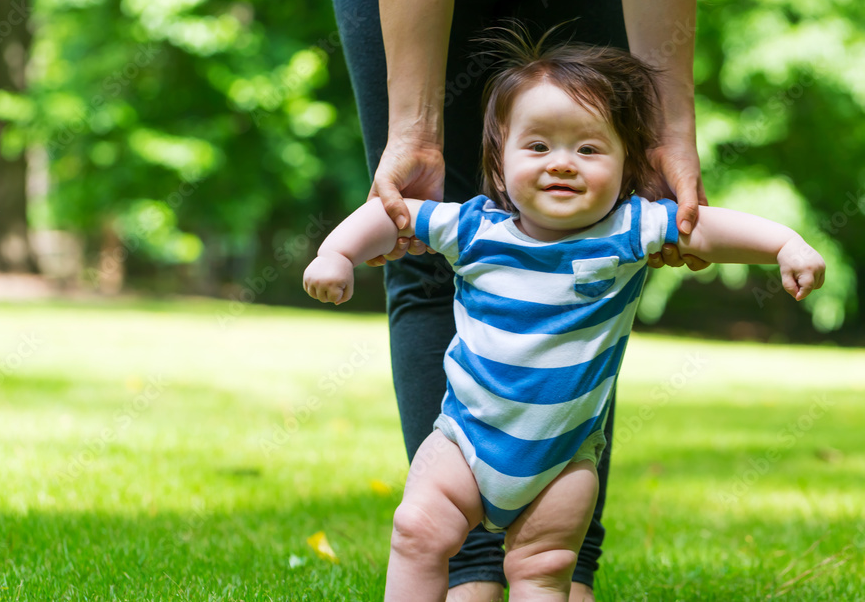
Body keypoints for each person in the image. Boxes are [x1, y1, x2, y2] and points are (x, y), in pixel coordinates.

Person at [303, 38, 826, 600]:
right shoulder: (475, 228)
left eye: (588, 149)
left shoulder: (630, 229)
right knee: (416, 531)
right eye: (537, 146)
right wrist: (336, 254)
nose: (561, 162)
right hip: (467, 438)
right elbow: (390, 215)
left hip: (564, 456)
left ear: (627, 167)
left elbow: (706, 228)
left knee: (543, 568)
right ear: (500, 168)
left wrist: (784, 244)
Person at [328, 0, 704, 598]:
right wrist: (413, 129)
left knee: (592, 248)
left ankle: (558, 563)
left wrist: (669, 129)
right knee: (424, 252)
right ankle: (468, 567)